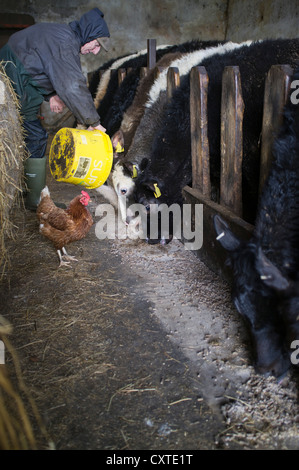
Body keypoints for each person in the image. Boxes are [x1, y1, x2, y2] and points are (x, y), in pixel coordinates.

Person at [0, 8, 110, 209]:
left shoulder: (62, 36)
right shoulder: (65, 43)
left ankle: (26, 186)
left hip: (19, 72)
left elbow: (41, 64)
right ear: (88, 35)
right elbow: (73, 86)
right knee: (34, 135)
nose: (95, 51)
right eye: (95, 45)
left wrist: (50, 96)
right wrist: (93, 122)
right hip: (15, 73)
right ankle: (36, 200)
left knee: (28, 135)